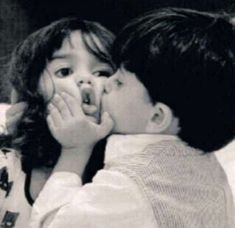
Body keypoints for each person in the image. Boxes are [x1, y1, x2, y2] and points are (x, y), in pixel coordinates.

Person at [29, 8, 235, 228]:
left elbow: (51, 224)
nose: (105, 85)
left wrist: (75, 151)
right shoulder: (208, 169)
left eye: (117, 81)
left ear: (157, 117)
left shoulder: (129, 185)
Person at [0, 17, 115, 227]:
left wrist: (76, 150)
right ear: (30, 89)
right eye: (64, 71)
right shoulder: (7, 163)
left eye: (102, 73)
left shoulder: (119, 176)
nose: (85, 80)